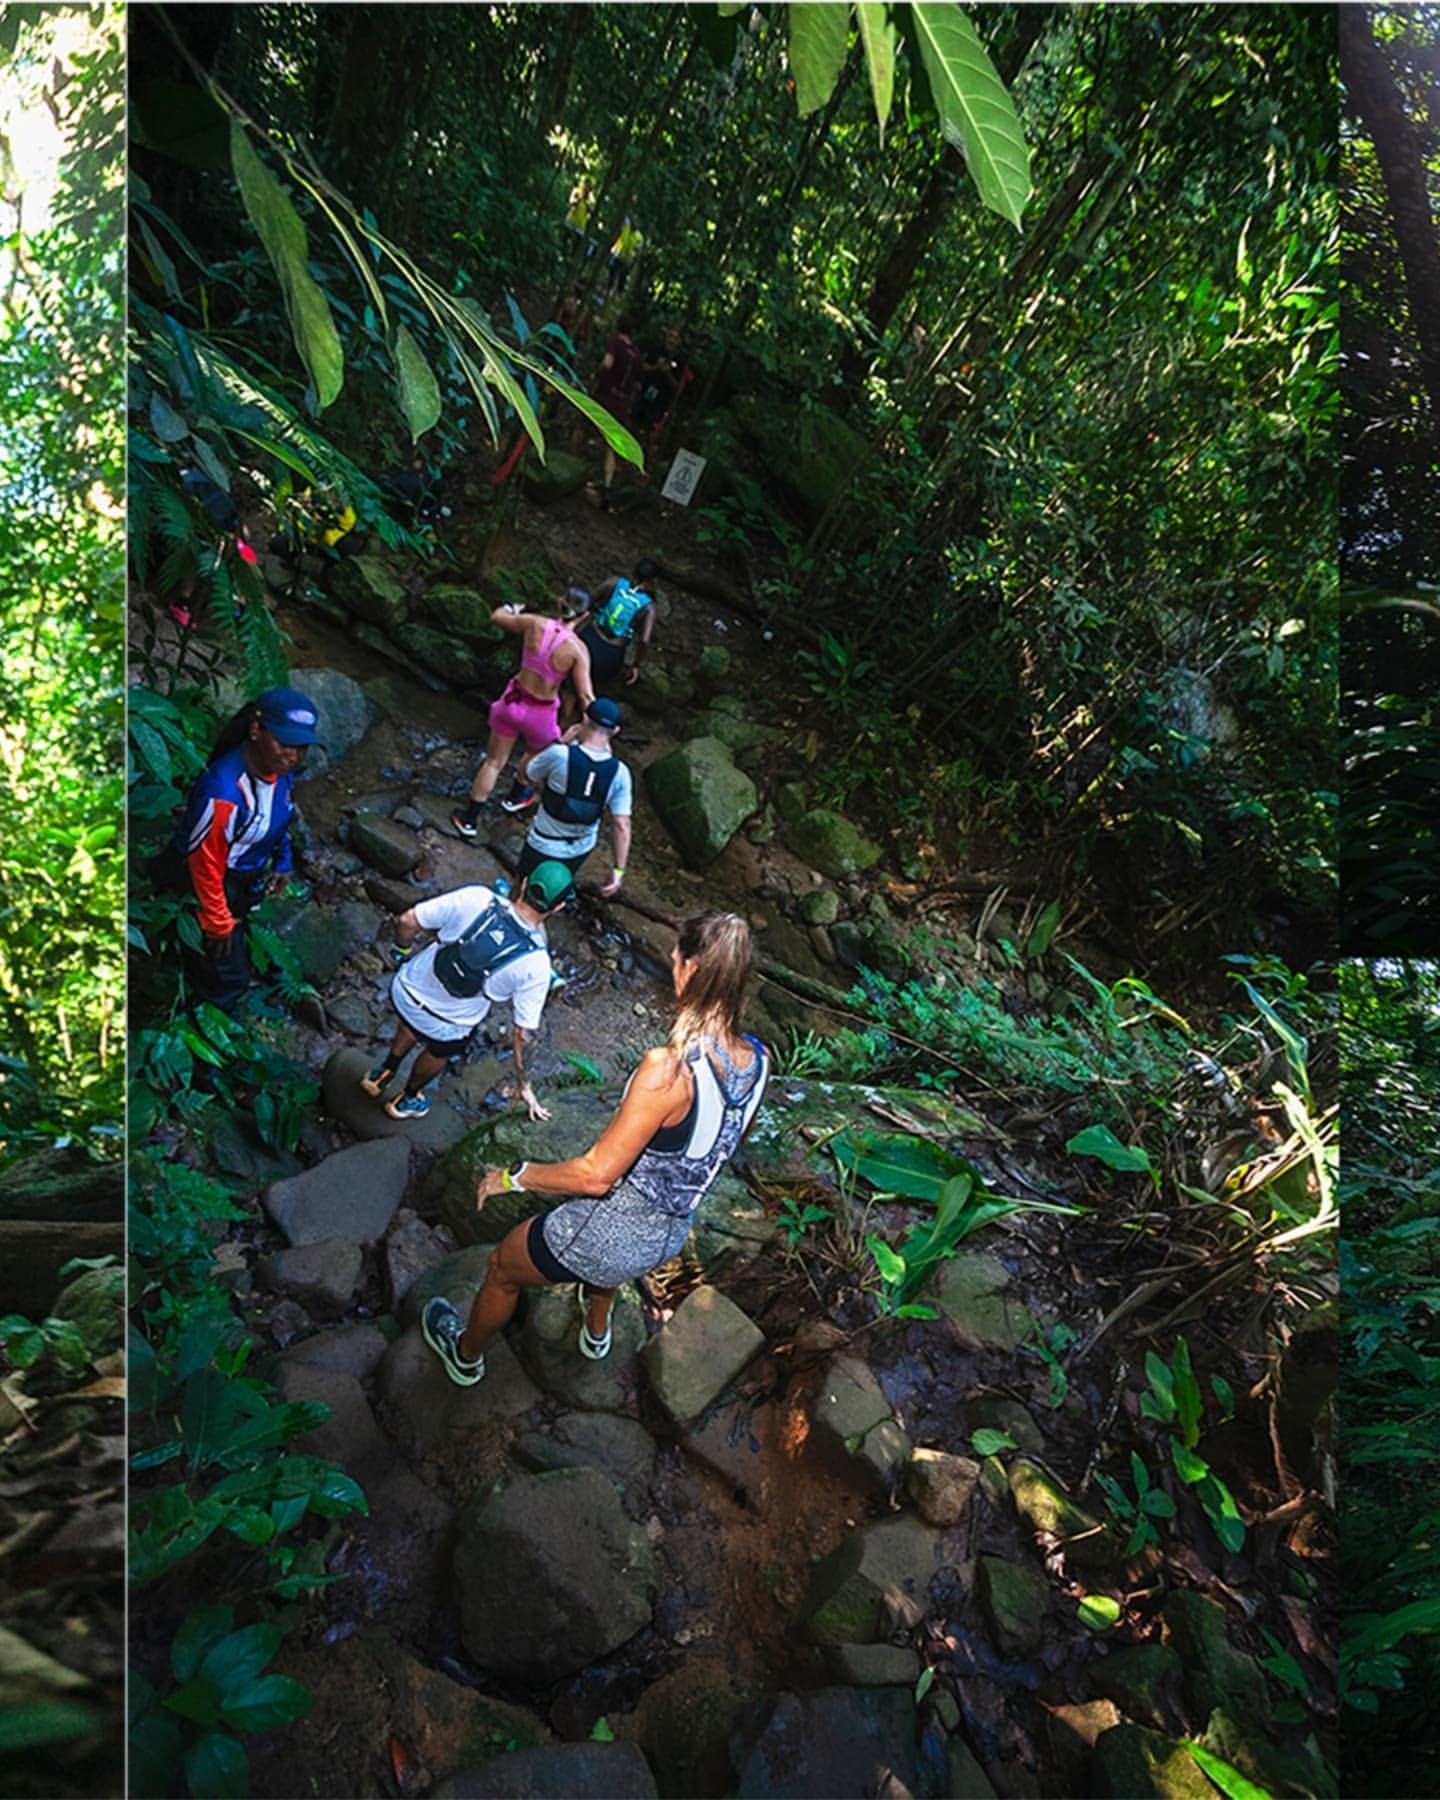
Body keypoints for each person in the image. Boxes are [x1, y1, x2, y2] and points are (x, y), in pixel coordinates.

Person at [420, 913, 770, 1385]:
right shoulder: (759, 1060)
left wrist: (514, 1176)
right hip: (669, 1235)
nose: (669, 962)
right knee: (610, 1253)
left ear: (689, 969)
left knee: (503, 1265)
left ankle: (464, 1357)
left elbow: (595, 1176)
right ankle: (597, 1328)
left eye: (674, 956)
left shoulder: (668, 1070)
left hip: (610, 1232)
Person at [361, 860, 575, 1123]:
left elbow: (407, 920)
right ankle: (408, 1098)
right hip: (446, 1024)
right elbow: (522, 1033)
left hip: (405, 991)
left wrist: (400, 951)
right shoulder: (537, 965)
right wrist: (523, 1084)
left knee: (414, 1019)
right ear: (558, 907)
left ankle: (384, 1071)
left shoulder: (477, 897)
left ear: (524, 884)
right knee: (439, 1050)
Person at [163, 688, 320, 1012]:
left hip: (243, 878)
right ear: (255, 730)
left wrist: (283, 862)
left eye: (301, 747)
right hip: (204, 884)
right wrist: (218, 923)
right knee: (227, 978)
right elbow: (203, 865)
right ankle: (201, 1036)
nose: (293, 755)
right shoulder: (223, 791)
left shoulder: (280, 772)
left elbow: (281, 815)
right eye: (285, 743)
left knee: (223, 961)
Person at [450, 590, 595, 837]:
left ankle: (470, 820)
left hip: (512, 702)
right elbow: (585, 696)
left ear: (559, 602)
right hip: (541, 714)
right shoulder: (578, 651)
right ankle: (516, 795)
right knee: (534, 753)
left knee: (493, 762)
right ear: (584, 616)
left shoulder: (533, 623)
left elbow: (497, 617)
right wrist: (594, 727)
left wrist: (511, 607)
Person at [518, 698, 631, 897]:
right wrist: (618, 870)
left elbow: (528, 774)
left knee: (522, 888)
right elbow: (621, 824)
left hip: (543, 842)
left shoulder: (560, 755)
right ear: (615, 731)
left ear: (584, 720)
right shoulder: (620, 772)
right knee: (551, 896)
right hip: (579, 848)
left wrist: (560, 741)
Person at [571, 560, 658, 701]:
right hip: (610, 654)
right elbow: (644, 640)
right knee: (588, 691)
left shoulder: (614, 583)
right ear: (653, 580)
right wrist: (635, 665)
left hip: (588, 638)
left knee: (570, 685)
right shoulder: (649, 607)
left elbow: (588, 601)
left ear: (634, 571)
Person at [585, 315, 644, 512]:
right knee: (610, 444)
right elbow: (637, 384)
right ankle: (607, 487)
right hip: (622, 402)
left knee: (585, 424)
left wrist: (597, 374)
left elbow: (607, 363)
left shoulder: (614, 343)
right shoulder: (636, 354)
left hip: (606, 395)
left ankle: (577, 466)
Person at [632, 323, 691, 450]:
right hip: (643, 393)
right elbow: (642, 367)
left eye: (675, 338)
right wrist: (656, 368)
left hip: (660, 402)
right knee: (633, 422)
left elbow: (678, 387)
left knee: (649, 432)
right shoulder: (656, 350)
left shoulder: (681, 360)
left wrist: (668, 373)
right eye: (670, 336)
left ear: (680, 341)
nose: (672, 340)